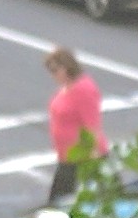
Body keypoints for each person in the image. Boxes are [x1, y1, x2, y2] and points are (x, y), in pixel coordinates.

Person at [45, 45, 106, 201]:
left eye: (55, 70)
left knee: (61, 201)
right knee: (60, 200)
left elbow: (92, 125)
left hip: (82, 157)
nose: (53, 75)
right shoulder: (66, 87)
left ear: (67, 67)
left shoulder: (83, 90)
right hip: (67, 156)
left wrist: (93, 157)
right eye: (51, 71)